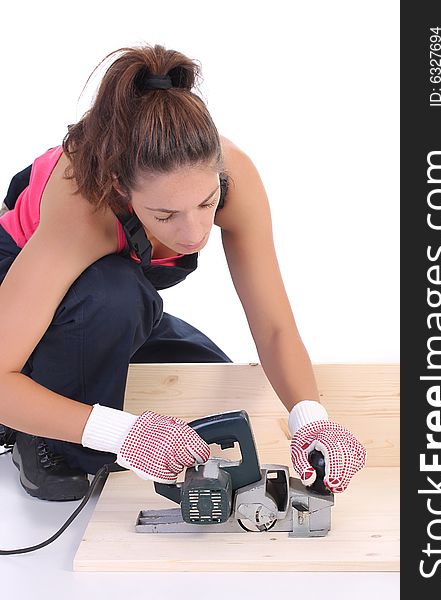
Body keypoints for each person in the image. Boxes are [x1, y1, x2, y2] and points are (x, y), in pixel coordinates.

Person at [0, 44, 366, 502]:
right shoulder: (81, 207)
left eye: (206, 204)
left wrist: (311, 418)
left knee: (214, 400)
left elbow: (273, 328)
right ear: (121, 188)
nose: (193, 233)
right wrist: (122, 435)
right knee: (113, 296)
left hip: (119, 296)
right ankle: (42, 439)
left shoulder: (234, 176)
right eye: (165, 214)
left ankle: (90, 364)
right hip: (24, 280)